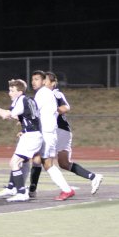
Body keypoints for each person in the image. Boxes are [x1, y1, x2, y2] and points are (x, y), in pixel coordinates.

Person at [43, 71, 103, 194]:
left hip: (59, 131)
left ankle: (23, 188)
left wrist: (53, 110)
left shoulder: (55, 94)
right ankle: (93, 177)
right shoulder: (43, 95)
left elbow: (66, 107)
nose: (43, 82)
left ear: (53, 83)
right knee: (64, 164)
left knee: (41, 159)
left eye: (46, 80)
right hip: (62, 131)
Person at [0, 78, 42, 202]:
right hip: (30, 135)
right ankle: (13, 188)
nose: (9, 93)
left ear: (20, 91)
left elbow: (6, 115)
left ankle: (21, 192)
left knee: (14, 163)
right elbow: (18, 116)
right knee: (19, 162)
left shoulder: (21, 100)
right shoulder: (26, 100)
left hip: (31, 136)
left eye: (12, 90)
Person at [28, 70, 75, 201]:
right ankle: (29, 189)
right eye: (32, 79)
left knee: (47, 163)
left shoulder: (42, 94)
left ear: (44, 81)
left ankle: (66, 190)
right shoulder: (45, 93)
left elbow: (33, 112)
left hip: (46, 134)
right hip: (47, 133)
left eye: (37, 79)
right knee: (36, 159)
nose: (33, 82)